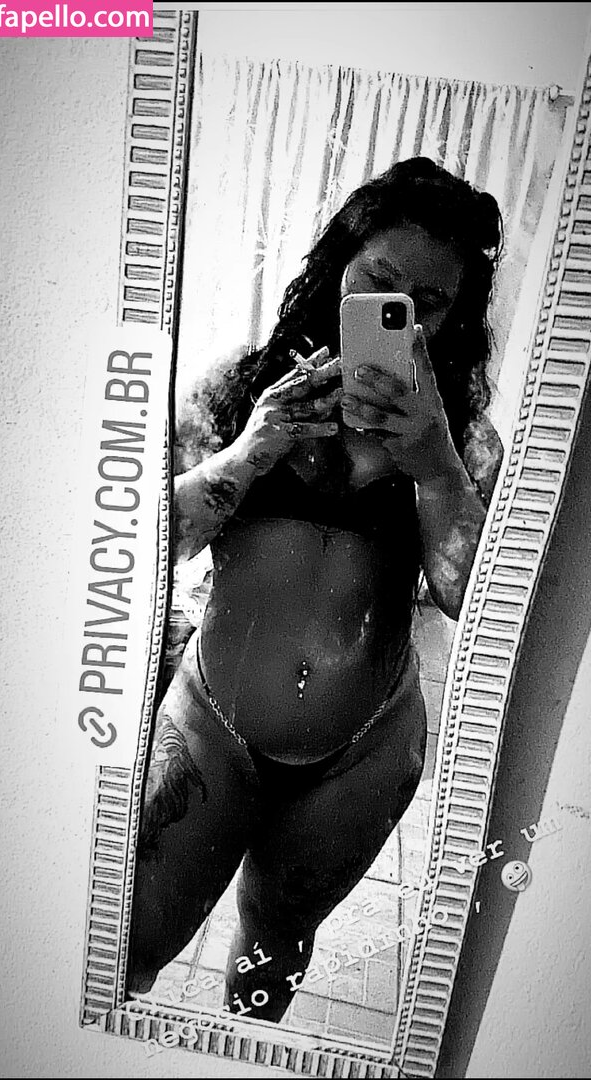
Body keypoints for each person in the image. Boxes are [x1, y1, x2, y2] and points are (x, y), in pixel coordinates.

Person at [127, 157, 504, 1023]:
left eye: (428, 302)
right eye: (377, 280)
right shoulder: (240, 389)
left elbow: (470, 600)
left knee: (278, 940)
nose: (398, 310)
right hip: (212, 721)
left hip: (363, 749)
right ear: (339, 265)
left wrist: (435, 466)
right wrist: (249, 451)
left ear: (453, 316)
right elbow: (145, 549)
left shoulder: (460, 437)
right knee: (133, 939)